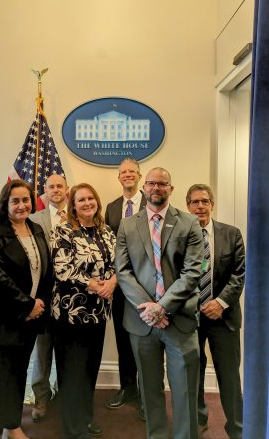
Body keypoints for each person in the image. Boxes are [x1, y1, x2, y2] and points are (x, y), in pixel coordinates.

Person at [116, 167, 203, 439]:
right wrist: (149, 308)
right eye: (151, 183)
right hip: (141, 322)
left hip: (179, 320)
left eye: (162, 184)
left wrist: (162, 307)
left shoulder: (189, 223)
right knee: (150, 390)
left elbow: (192, 272)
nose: (156, 188)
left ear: (171, 189)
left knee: (185, 390)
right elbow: (123, 271)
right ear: (144, 187)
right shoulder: (128, 224)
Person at [0, 179, 53, 439]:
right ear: (6, 202)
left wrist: (39, 305)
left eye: (26, 199)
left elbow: (45, 271)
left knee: (17, 376)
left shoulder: (35, 228)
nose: (21, 205)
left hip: (29, 319)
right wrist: (27, 304)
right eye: (15, 200)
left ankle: (12, 426)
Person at [50, 183, 116, 439]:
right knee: (72, 372)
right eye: (81, 200)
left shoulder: (106, 231)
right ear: (73, 205)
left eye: (91, 198)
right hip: (70, 313)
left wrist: (112, 282)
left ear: (97, 201)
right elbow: (62, 268)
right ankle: (73, 426)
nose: (87, 203)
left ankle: (86, 418)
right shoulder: (63, 231)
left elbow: (117, 264)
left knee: (90, 368)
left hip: (98, 313)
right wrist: (95, 285)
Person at [186, 184, 244, 439]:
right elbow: (177, 275)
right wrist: (196, 304)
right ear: (188, 206)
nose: (200, 206)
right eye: (195, 202)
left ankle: (237, 428)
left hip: (224, 318)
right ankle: (198, 422)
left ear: (212, 204)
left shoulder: (231, 234)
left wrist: (220, 303)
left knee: (230, 376)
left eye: (205, 201)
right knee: (194, 374)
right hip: (191, 317)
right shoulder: (181, 235)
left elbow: (239, 273)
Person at [104, 158, 146, 418]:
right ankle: (127, 387)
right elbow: (110, 248)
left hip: (146, 286)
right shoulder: (111, 208)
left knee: (146, 341)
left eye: (132, 171)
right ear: (119, 178)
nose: (128, 175)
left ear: (139, 176)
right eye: (123, 172)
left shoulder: (151, 202)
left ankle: (146, 392)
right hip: (119, 286)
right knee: (123, 337)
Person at [29, 174, 68, 422]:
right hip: (43, 294)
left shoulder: (77, 214)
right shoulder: (34, 219)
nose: (55, 190)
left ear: (67, 189)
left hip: (72, 297)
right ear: (45, 190)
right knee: (42, 351)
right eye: (51, 186)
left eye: (59, 186)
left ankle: (64, 396)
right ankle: (41, 398)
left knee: (67, 350)